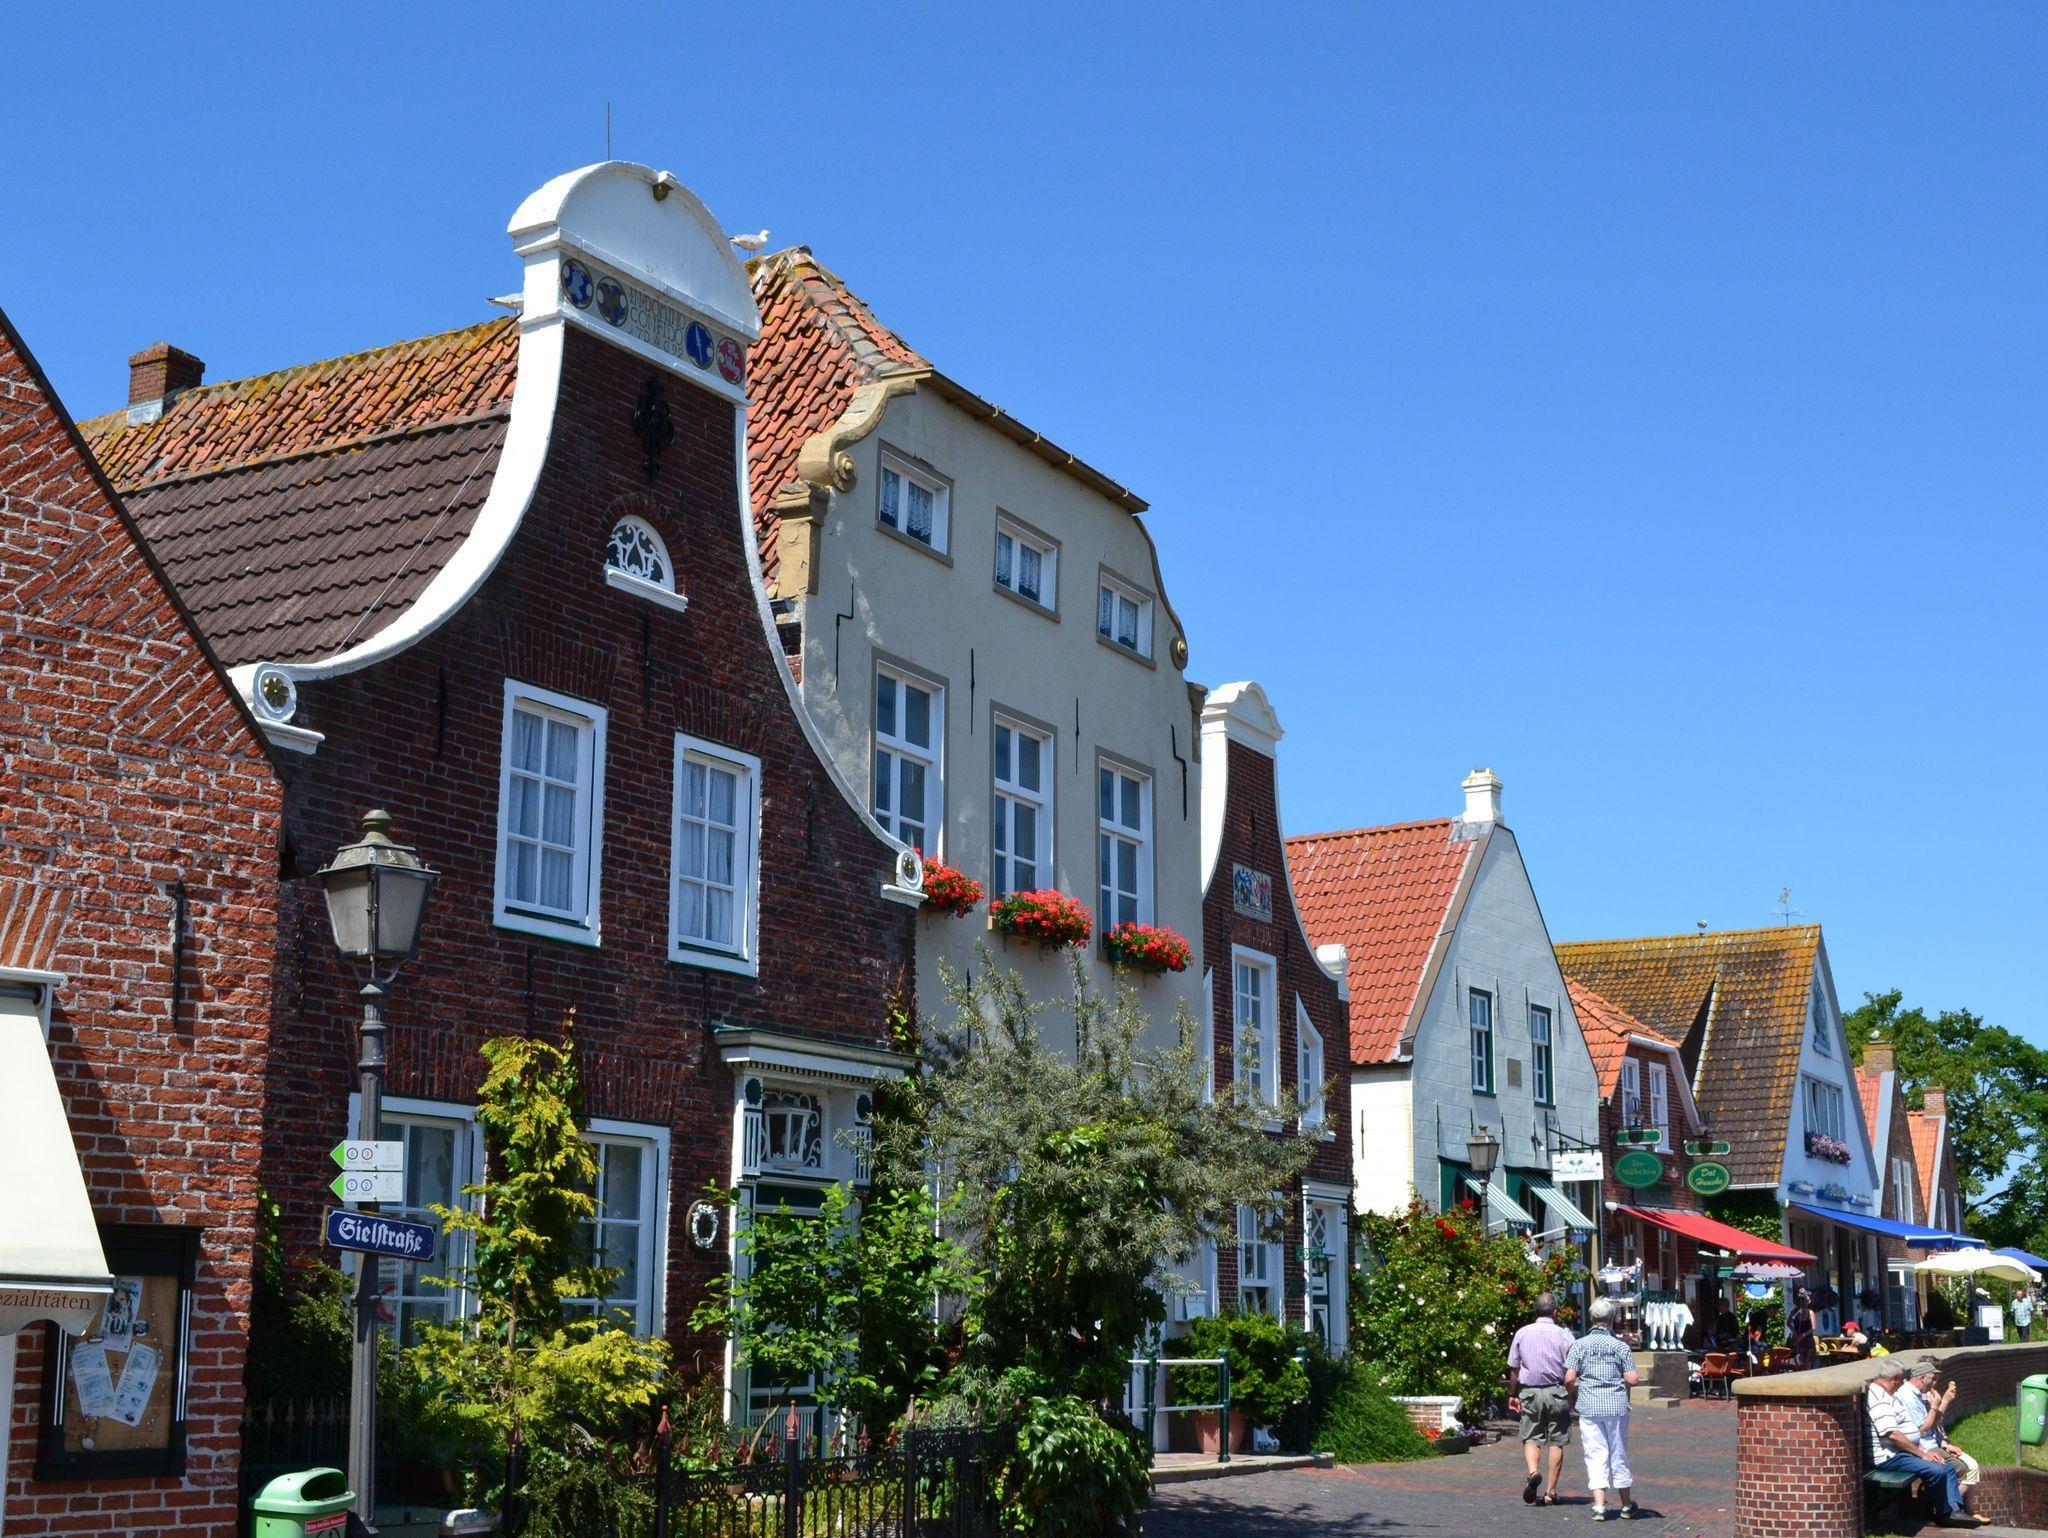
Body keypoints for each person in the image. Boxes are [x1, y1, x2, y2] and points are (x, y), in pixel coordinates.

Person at [1866, 1358, 1982, 1527]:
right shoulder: (1879, 1399)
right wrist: (1922, 1454)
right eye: (1901, 1380)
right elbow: (1893, 1435)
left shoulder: (1888, 1395)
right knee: (1937, 1470)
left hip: (1902, 1451)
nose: (1901, 1384)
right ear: (1895, 1378)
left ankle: (1953, 1511)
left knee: (1947, 1466)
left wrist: (1922, 1450)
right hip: (1889, 1457)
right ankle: (1944, 1513)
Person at [1565, 1296, 1641, 1521]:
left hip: (1589, 1405)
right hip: (1615, 1405)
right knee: (1618, 1452)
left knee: (1595, 1453)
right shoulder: (1620, 1346)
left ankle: (1599, 1506)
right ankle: (1626, 1504)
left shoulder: (1579, 1345)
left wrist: (1573, 1395)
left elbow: (1569, 1378)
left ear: (1591, 1318)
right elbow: (1633, 1379)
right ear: (1612, 1319)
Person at [1507, 1291, 1575, 1506]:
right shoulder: (1565, 1336)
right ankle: (1550, 1491)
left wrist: (1513, 1394)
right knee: (1557, 1441)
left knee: (1530, 1437)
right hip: (1556, 1391)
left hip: (1530, 1392)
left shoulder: (1522, 1333)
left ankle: (1533, 1472)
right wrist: (1572, 1395)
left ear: (1535, 1311)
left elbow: (1514, 1368)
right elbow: (1572, 1371)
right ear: (1555, 1312)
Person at [1898, 1358, 1984, 1520]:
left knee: (1961, 1467)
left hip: (1933, 1443)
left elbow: (1933, 1426)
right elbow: (1924, 1430)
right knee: (1958, 1468)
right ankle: (1943, 1508)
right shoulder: (1910, 1396)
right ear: (1921, 1377)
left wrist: (1945, 1443)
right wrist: (1939, 1404)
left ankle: (1949, 1509)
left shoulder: (1918, 1394)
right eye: (1933, 1378)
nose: (1935, 1383)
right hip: (1923, 1446)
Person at [1788, 1289, 1819, 1368]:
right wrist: (1796, 1334)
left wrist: (1802, 1335)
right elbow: (1788, 1323)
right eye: (1801, 1300)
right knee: (1799, 1360)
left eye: (1804, 1300)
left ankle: (1806, 1372)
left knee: (1807, 1360)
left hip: (1807, 1339)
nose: (1803, 1302)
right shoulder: (1795, 1311)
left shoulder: (1810, 1312)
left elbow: (1813, 1328)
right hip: (1799, 1339)